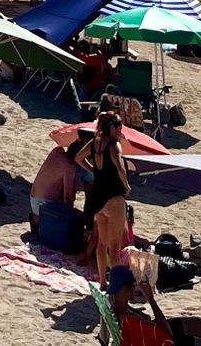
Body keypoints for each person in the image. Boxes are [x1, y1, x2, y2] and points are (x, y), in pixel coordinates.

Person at [75, 111, 130, 287]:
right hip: (113, 197)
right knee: (114, 248)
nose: (121, 129)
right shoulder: (114, 146)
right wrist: (127, 186)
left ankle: (102, 282)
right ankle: (116, 286)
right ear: (112, 127)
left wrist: (94, 171)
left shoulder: (95, 143)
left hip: (97, 197)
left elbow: (78, 158)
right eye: (119, 126)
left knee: (101, 244)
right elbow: (120, 168)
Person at [107, 266, 201, 346]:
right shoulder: (129, 319)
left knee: (199, 324)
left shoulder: (118, 305)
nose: (135, 287)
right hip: (164, 340)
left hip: (153, 333)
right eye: (132, 284)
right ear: (122, 290)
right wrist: (150, 299)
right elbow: (166, 332)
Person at [30, 128, 92, 230]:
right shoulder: (69, 167)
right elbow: (68, 198)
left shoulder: (57, 151)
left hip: (34, 200)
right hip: (44, 206)